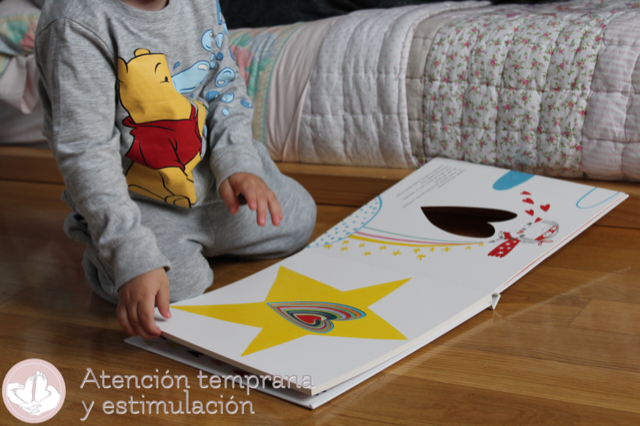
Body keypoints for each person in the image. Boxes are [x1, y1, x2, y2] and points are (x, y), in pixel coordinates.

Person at [35, 0, 316, 339]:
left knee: (299, 217)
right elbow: (87, 152)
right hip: (140, 202)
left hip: (212, 180)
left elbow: (224, 88)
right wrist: (130, 252)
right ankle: (109, 248)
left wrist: (238, 163)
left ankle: (199, 240)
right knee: (177, 288)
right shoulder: (75, 22)